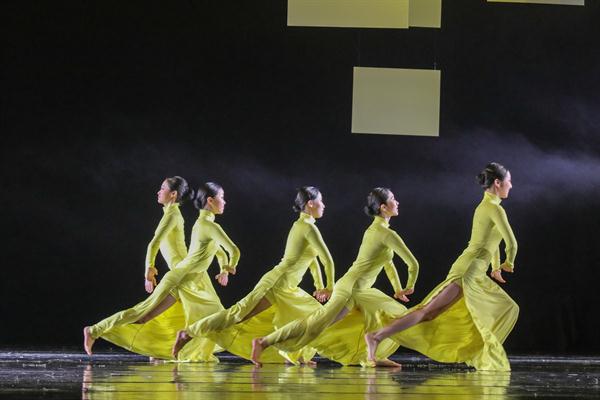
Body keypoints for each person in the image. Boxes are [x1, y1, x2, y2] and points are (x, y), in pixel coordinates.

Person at [365, 163, 518, 371]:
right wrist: (509, 261)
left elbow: (489, 241)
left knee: (434, 313)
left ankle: (378, 335)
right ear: (498, 183)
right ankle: (376, 335)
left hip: (474, 270)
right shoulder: (494, 208)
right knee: (428, 311)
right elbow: (511, 242)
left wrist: (496, 267)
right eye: (509, 181)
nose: (511, 185)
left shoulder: (486, 207)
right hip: (467, 271)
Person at [250, 187, 419, 367]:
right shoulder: (386, 234)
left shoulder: (374, 230)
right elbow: (413, 264)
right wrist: (410, 286)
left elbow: (387, 263)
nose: (397, 202)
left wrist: (398, 289)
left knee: (389, 315)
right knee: (316, 324)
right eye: (393, 199)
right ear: (383, 207)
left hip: (358, 290)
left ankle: (370, 356)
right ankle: (263, 342)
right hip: (350, 290)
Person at [172, 186, 334, 365]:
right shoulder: (306, 228)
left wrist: (320, 285)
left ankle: (297, 355)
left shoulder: (304, 226)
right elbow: (327, 260)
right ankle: (188, 333)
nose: (323, 205)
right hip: (275, 284)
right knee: (238, 315)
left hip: (287, 287)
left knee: (310, 316)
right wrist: (330, 287)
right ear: (310, 204)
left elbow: (312, 260)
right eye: (321, 201)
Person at [84, 182, 238, 361]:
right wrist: (149, 269)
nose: (158, 192)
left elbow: (216, 251)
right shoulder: (177, 217)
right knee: (146, 314)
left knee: (179, 316)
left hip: (188, 277)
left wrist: (224, 268)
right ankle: (95, 330)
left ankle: (162, 351)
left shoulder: (177, 216)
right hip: (183, 277)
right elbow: (219, 250)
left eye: (162, 188)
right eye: (222, 198)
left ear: (173, 194)